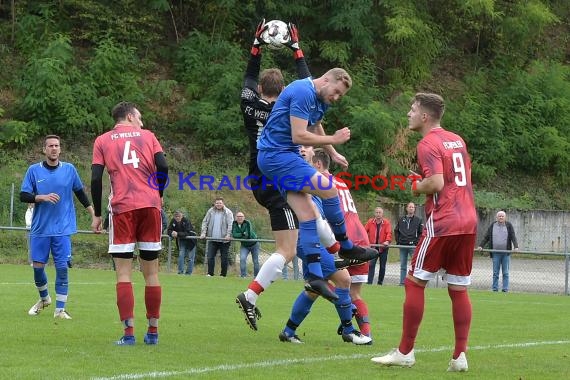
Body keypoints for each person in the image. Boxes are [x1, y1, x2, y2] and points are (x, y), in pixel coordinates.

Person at [371, 93, 478, 372]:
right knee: (458, 288)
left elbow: (437, 183)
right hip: (468, 221)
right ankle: (460, 356)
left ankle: (405, 352)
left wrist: (416, 186)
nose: (408, 113)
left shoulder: (427, 143)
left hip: (443, 220)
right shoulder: (457, 139)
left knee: (414, 282)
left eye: (413, 109)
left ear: (425, 116)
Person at [235, 21, 315, 329]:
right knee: (288, 249)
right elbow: (308, 86)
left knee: (308, 221)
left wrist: (256, 46)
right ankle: (250, 296)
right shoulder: (285, 108)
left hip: (256, 173)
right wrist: (296, 50)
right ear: (282, 91)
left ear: (258, 90)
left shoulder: (248, 103)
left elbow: (248, 77)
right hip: (279, 173)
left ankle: (336, 250)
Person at [91, 101, 168, 345]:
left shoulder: (102, 140)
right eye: (140, 116)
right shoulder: (148, 136)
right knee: (152, 273)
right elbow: (163, 166)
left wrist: (96, 214)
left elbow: (95, 178)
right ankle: (153, 332)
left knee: (123, 273)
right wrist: (160, 193)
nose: (142, 121)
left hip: (123, 208)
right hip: (150, 206)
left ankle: (128, 334)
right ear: (131, 116)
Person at [278, 146, 371, 345]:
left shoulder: (314, 178)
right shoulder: (299, 173)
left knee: (314, 290)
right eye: (301, 147)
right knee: (344, 280)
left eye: (306, 147)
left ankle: (288, 331)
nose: (303, 149)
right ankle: (349, 330)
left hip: (314, 239)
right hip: (309, 239)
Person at [20, 135, 96, 320]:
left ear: (60, 149)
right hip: (40, 229)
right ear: (44, 149)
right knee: (38, 268)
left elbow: (80, 193)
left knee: (62, 268)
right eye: (50, 146)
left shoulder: (69, 170)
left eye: (57, 146)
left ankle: (60, 310)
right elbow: (23, 195)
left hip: (62, 228)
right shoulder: (33, 171)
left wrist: (94, 215)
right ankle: (44, 299)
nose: (54, 148)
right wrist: (41, 197)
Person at [309, 147, 374, 339]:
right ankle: (366, 334)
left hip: (343, 238)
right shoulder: (341, 182)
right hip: (361, 238)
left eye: (310, 163)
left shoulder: (318, 182)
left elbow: (321, 215)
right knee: (353, 291)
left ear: (318, 164)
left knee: (315, 283)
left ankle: (350, 313)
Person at [477, 210, 519, 292]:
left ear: (505, 217)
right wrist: (481, 245)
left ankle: (505, 289)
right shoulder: (493, 225)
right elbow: (486, 237)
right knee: (495, 273)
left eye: (502, 216)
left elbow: (513, 236)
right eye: (499, 216)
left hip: (506, 253)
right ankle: (495, 288)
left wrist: (516, 246)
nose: (501, 217)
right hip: (495, 253)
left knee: (505, 273)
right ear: (497, 217)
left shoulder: (509, 225)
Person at [200, 197, 234, 277]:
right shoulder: (210, 211)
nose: (218, 204)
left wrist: (228, 235)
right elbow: (205, 222)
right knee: (210, 257)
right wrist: (203, 233)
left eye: (220, 203)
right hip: (212, 239)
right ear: (215, 204)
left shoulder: (228, 212)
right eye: (217, 203)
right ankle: (210, 273)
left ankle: (223, 275)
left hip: (224, 240)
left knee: (224, 258)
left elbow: (230, 225)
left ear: (223, 204)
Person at [394, 202, 423, 285]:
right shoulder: (401, 219)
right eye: (409, 207)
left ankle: (414, 282)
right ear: (407, 208)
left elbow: (421, 233)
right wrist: (398, 241)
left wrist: (416, 242)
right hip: (402, 245)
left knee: (414, 265)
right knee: (403, 266)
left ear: (414, 209)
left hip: (413, 246)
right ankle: (402, 283)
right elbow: (396, 231)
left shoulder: (418, 220)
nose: (411, 208)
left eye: (412, 207)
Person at [364, 207, 392, 285]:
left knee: (382, 266)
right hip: (373, 248)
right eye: (377, 212)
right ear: (374, 213)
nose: (378, 214)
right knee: (371, 265)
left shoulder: (386, 223)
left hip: (383, 248)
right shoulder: (370, 222)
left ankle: (380, 283)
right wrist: (364, 241)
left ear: (382, 214)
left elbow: (389, 233)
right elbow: (364, 231)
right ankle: (369, 283)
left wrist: (387, 241)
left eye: (380, 213)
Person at [167, 210, 197, 275]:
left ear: (182, 216)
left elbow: (187, 232)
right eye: (176, 216)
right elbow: (169, 230)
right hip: (182, 240)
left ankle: (188, 273)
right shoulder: (173, 221)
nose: (177, 218)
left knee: (190, 258)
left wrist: (177, 233)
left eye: (179, 216)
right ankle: (180, 272)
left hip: (191, 240)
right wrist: (172, 233)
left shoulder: (186, 221)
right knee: (181, 255)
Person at [232, 212, 260, 277]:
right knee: (242, 259)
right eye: (238, 216)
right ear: (236, 218)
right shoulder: (234, 223)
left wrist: (240, 235)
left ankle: (256, 277)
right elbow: (234, 234)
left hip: (254, 244)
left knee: (255, 261)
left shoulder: (247, 223)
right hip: (244, 246)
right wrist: (242, 234)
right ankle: (243, 275)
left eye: (241, 216)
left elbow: (248, 235)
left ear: (244, 217)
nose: (240, 218)